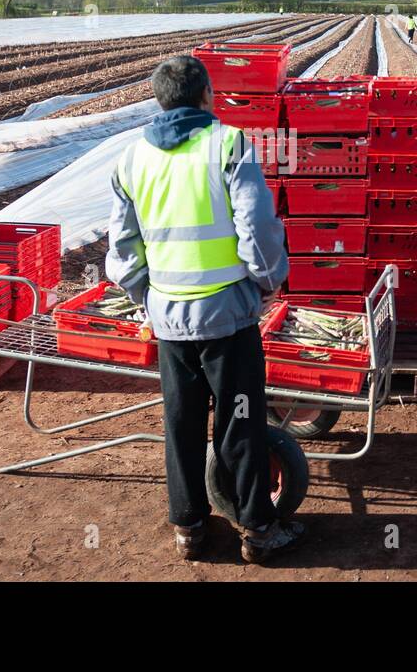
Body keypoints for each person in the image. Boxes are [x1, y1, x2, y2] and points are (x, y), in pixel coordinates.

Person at [106, 55, 301, 563]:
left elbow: (123, 247)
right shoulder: (229, 144)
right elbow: (257, 227)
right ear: (208, 95)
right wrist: (267, 283)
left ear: (159, 99)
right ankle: (258, 529)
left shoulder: (130, 159)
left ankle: (189, 527)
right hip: (227, 317)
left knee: (181, 422)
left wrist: (145, 296)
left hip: (170, 319)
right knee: (240, 421)